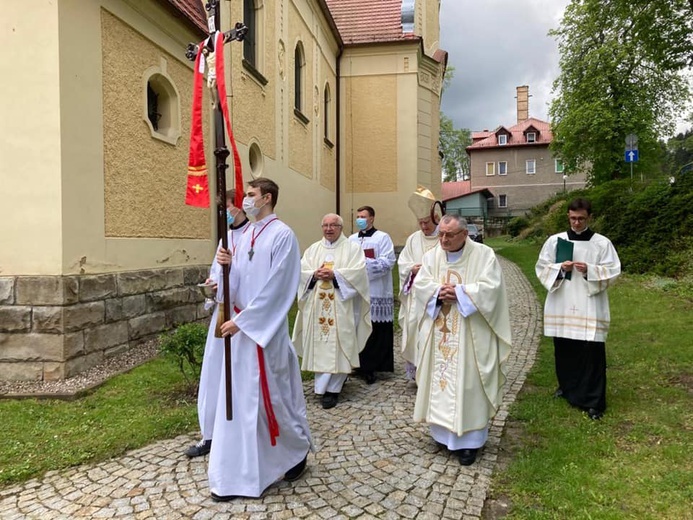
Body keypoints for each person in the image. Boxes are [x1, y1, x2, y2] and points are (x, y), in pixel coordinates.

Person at [209, 178, 313, 500]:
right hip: (240, 330)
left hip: (263, 334)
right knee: (240, 402)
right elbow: (237, 283)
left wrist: (245, 322)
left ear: (267, 198)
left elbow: (279, 287)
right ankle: (236, 473)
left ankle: (295, 452)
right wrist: (223, 277)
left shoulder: (283, 235)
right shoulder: (245, 234)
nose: (246, 200)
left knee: (274, 399)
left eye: (251, 195)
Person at [413, 214, 511, 466]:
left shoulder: (484, 255)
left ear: (464, 234)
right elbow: (421, 284)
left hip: (470, 333)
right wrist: (437, 292)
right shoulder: (431, 257)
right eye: (441, 234)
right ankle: (442, 434)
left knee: (468, 382)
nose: (443, 239)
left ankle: (470, 442)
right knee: (440, 380)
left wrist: (460, 292)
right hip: (439, 331)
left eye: (450, 235)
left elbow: (492, 289)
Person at [535, 198, 621, 420]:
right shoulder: (555, 241)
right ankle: (567, 388)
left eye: (581, 219)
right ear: (568, 216)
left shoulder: (602, 244)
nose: (576, 223)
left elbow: (613, 271)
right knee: (564, 348)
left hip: (590, 304)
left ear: (589, 217)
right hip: (562, 302)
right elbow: (542, 268)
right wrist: (560, 269)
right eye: (573, 218)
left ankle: (594, 401)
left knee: (591, 352)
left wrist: (589, 271)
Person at [184, 190, 250, 458]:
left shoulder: (253, 237)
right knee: (213, 372)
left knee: (240, 373)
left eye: (229, 206)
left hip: (242, 317)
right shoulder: (226, 238)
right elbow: (216, 271)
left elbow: (250, 277)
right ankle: (210, 433)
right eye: (222, 208)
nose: (225, 212)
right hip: (221, 313)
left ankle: (238, 432)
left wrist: (230, 274)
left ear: (242, 207)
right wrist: (212, 284)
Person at [292, 213, 371, 409]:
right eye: (325, 225)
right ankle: (322, 387)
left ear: (340, 227)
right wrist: (314, 274)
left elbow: (359, 273)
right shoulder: (313, 250)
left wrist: (335, 274)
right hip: (317, 306)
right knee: (320, 344)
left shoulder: (352, 249)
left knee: (340, 343)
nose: (328, 229)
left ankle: (333, 390)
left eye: (333, 225)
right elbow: (301, 272)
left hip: (341, 306)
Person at [348, 205, 396, 384]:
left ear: (372, 218)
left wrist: (362, 265)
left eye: (363, 216)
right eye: (358, 216)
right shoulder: (351, 239)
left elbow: (388, 261)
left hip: (376, 291)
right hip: (357, 292)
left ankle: (372, 367)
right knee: (358, 328)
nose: (360, 219)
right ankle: (358, 364)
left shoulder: (382, 237)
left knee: (374, 329)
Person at [398, 187, 441, 382]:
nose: (424, 227)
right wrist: (411, 269)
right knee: (415, 333)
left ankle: (436, 376)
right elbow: (403, 263)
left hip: (436, 298)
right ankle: (418, 376)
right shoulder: (413, 239)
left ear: (435, 218)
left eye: (427, 222)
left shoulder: (444, 238)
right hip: (415, 298)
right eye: (420, 223)